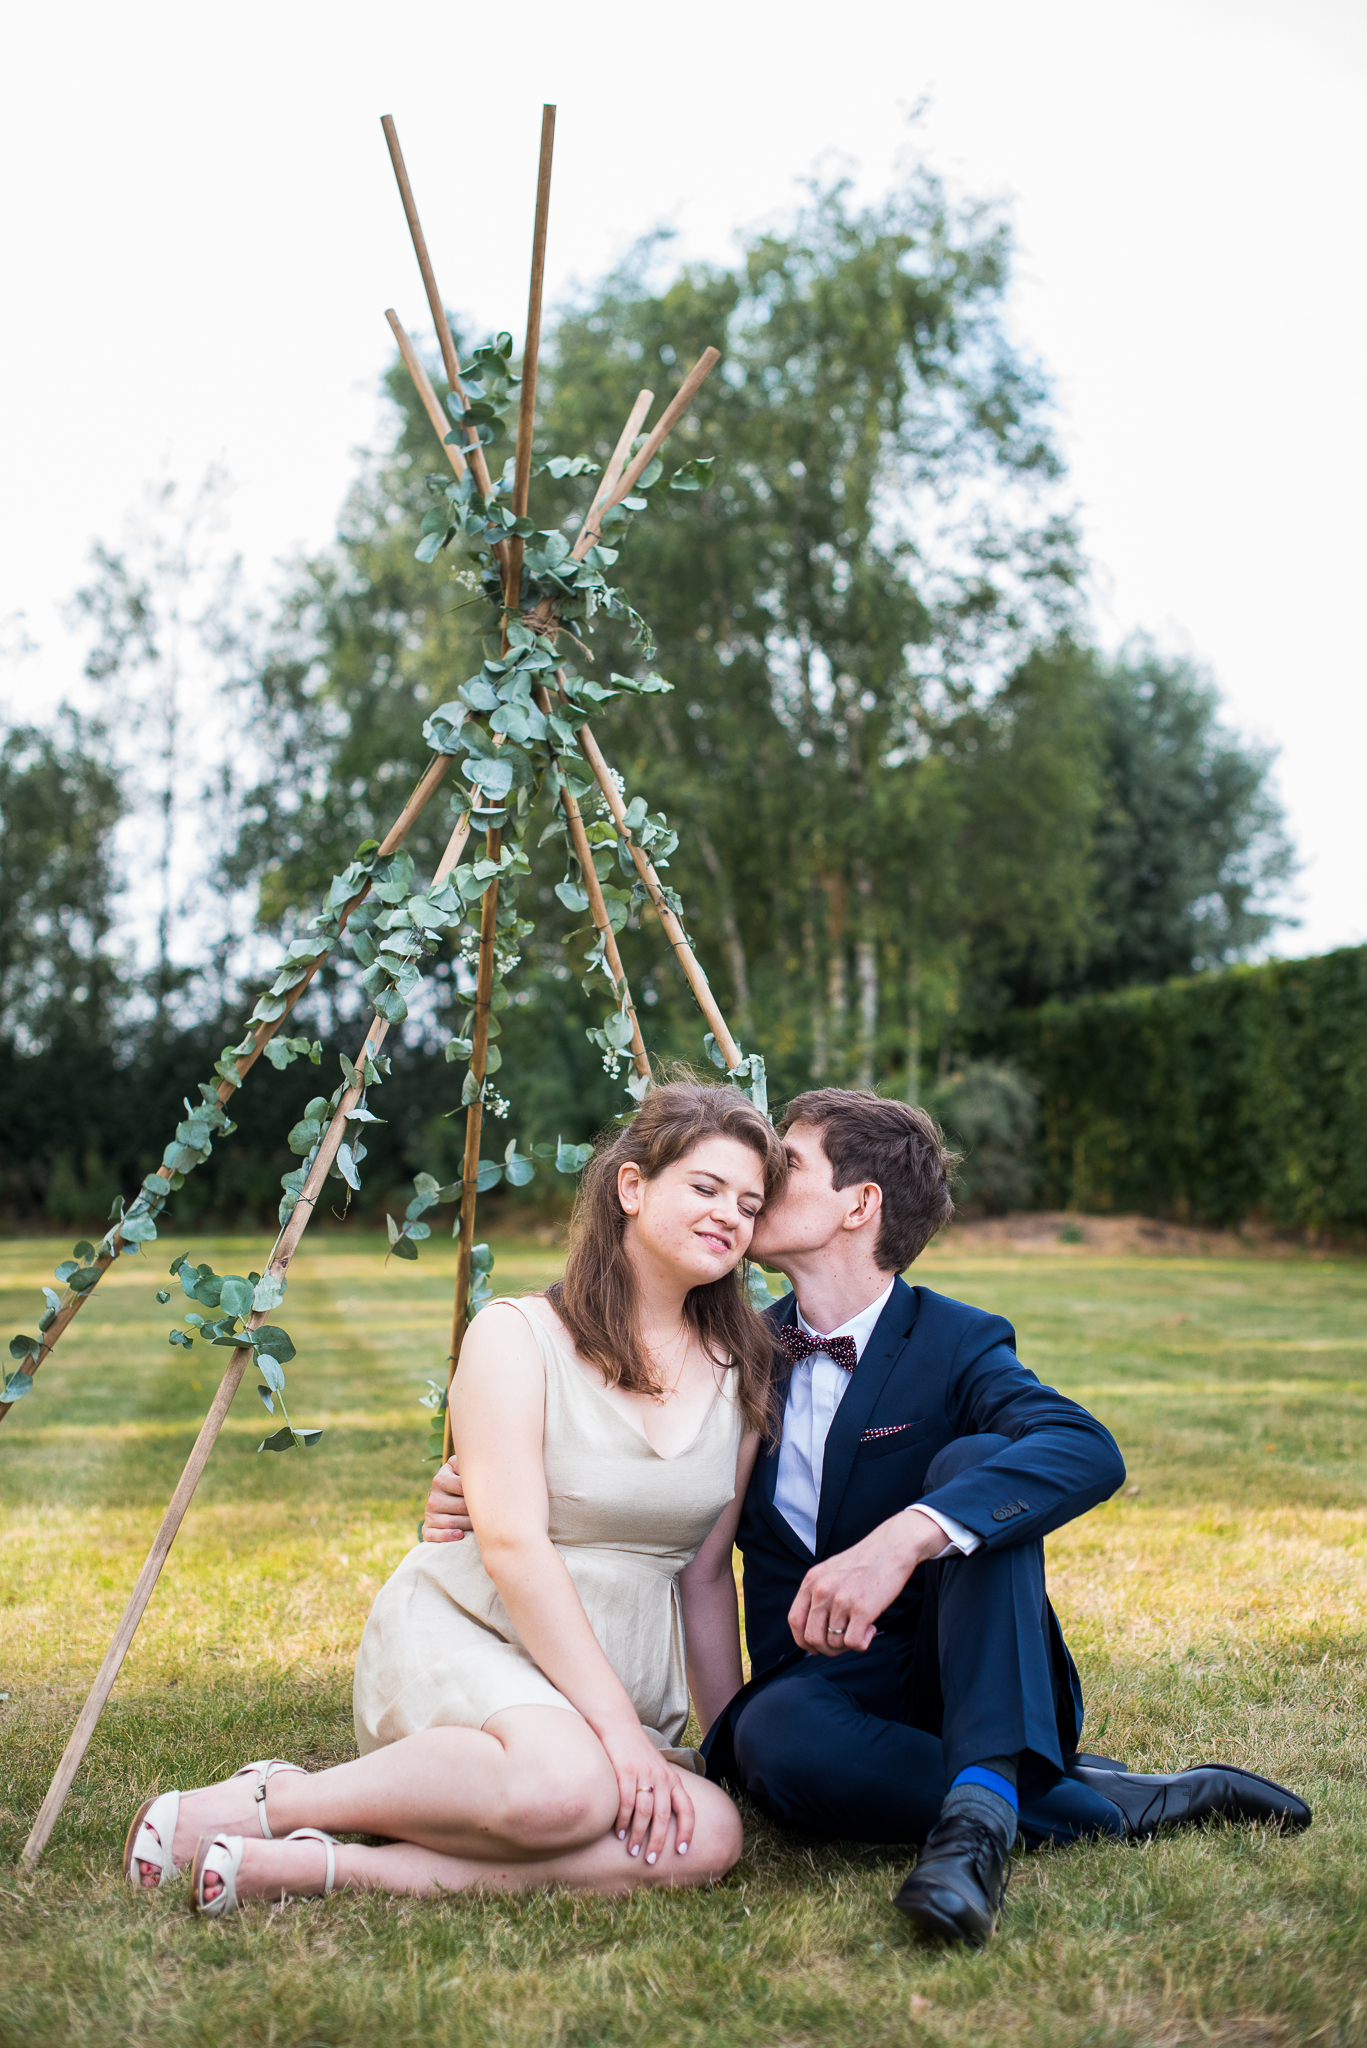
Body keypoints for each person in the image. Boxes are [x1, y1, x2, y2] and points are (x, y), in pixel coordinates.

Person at [428, 1086, 1311, 1946]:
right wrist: (476, 1488)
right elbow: (646, 1486)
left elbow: (1084, 1448)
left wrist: (907, 1535)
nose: (760, 1184)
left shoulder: (956, 1340)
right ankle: (1093, 1801)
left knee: (974, 1467)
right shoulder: (736, 1351)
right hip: (817, 1692)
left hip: (959, 1670)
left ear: (859, 1204)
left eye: (786, 1164)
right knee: (772, 1736)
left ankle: (973, 1828)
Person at [123, 1081, 787, 1913]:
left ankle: (321, 1868)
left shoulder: (743, 1366)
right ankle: (276, 1800)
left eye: (750, 1204)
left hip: (619, 1673)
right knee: (567, 1787)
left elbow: (700, 1575)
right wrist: (617, 1735)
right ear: (631, 1187)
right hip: (477, 1635)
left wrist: (723, 1749)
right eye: (705, 1187)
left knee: (709, 1834)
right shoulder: (517, 1334)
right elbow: (510, 1545)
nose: (730, 1214)